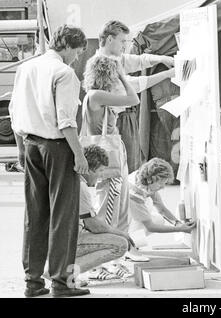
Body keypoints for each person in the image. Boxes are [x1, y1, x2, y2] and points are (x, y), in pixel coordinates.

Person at [9, 25, 90, 297]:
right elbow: (67, 120)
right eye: (78, 51)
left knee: (35, 215)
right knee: (63, 217)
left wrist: (22, 149)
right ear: (68, 45)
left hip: (31, 144)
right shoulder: (64, 73)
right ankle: (62, 282)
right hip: (58, 148)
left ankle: (33, 283)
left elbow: (14, 111)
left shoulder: (27, 68)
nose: (77, 57)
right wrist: (79, 155)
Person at [82, 54, 141, 269]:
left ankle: (117, 253)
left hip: (111, 155)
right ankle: (105, 258)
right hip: (108, 160)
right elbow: (133, 99)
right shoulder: (97, 95)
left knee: (117, 205)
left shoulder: (96, 95)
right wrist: (123, 77)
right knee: (109, 207)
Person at [97, 20, 175, 173]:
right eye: (122, 41)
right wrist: (167, 74)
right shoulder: (103, 63)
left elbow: (138, 60)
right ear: (110, 39)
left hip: (125, 117)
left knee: (130, 166)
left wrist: (162, 59)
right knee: (121, 168)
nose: (124, 45)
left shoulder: (115, 58)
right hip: (117, 119)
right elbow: (134, 84)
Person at [76, 145, 134, 281]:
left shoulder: (75, 181)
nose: (102, 175)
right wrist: (122, 233)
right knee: (120, 245)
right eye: (100, 170)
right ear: (89, 169)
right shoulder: (81, 186)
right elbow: (93, 225)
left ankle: (60, 269)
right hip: (70, 241)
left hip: (63, 238)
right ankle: (63, 272)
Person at [128, 158, 196, 246]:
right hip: (119, 223)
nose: (163, 187)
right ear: (150, 179)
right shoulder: (135, 194)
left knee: (158, 219)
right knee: (147, 222)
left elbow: (162, 210)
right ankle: (129, 247)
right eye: (161, 184)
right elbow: (151, 227)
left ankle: (132, 242)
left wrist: (178, 223)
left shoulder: (143, 178)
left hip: (126, 216)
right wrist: (180, 229)